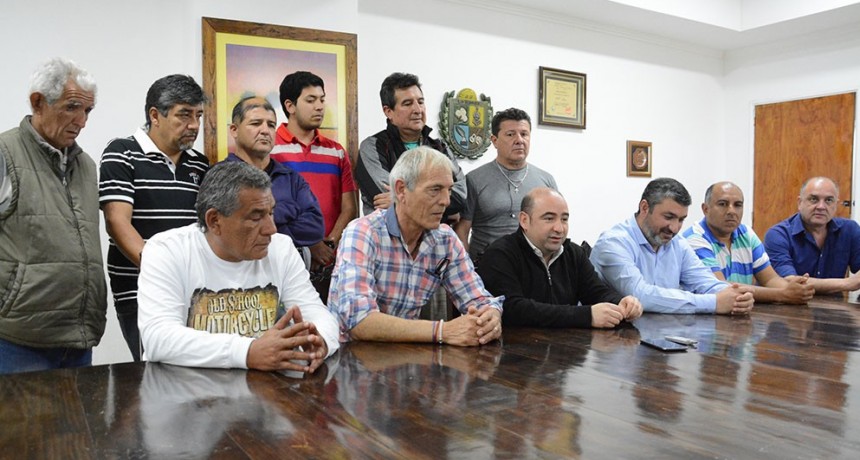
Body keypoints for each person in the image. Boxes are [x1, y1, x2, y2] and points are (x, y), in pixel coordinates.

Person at [138, 161, 338, 371]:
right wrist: (247, 352)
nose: (271, 229)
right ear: (214, 221)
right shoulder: (166, 251)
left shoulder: (281, 248)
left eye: (271, 213)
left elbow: (318, 314)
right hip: (187, 392)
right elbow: (158, 338)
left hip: (265, 393)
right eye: (256, 216)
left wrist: (319, 340)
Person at [328, 147, 503, 346]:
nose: (446, 201)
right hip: (348, 360)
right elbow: (358, 321)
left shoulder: (445, 239)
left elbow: (480, 300)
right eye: (435, 189)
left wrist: (490, 317)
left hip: (405, 357)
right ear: (401, 190)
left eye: (450, 190)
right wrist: (442, 331)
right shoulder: (363, 233)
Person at [0, 58, 106, 373]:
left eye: (87, 111)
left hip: (78, 339)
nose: (82, 120)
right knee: (21, 425)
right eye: (72, 107)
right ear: (38, 102)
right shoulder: (5, 154)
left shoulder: (86, 165)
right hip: (17, 341)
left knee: (78, 424)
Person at [99, 74, 209, 361]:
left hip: (192, 291)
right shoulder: (122, 153)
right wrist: (161, 272)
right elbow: (117, 222)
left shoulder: (200, 163)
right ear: (154, 115)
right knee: (154, 376)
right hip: (139, 290)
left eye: (198, 115)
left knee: (195, 378)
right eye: (184, 115)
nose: (194, 125)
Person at [478, 188, 643, 328]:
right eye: (549, 218)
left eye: (564, 219)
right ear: (524, 220)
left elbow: (595, 291)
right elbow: (512, 309)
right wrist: (586, 316)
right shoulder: (500, 254)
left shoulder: (573, 253)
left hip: (566, 353)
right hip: (514, 354)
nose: (559, 228)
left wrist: (621, 303)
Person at [590, 178, 755, 315]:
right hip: (612, 341)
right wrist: (714, 302)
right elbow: (640, 295)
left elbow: (704, 281)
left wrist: (736, 296)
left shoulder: (678, 244)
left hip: (663, 338)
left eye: (681, 220)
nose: (675, 228)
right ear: (645, 208)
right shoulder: (613, 243)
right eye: (669, 217)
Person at [271, 71, 357, 300]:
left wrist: (328, 244)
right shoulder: (269, 149)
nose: (319, 106)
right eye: (310, 100)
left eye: (322, 99)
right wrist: (310, 246)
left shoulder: (336, 151)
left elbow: (349, 207)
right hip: (286, 262)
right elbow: (270, 210)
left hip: (333, 264)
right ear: (290, 105)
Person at [354, 72, 466, 222]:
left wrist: (402, 200)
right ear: (388, 111)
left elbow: (461, 195)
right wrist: (448, 211)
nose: (418, 110)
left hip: (434, 238)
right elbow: (382, 193)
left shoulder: (440, 148)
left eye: (420, 102)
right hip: (386, 238)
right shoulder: (373, 147)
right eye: (407, 104)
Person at [223, 96, 324, 261]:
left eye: (271, 125)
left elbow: (315, 228)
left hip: (285, 273)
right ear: (234, 130)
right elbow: (231, 229)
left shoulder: (291, 178)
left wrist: (257, 220)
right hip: (236, 274)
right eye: (256, 123)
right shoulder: (219, 176)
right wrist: (289, 209)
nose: (265, 131)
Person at [683, 181, 814, 304]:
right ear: (705, 209)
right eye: (722, 204)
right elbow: (721, 288)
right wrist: (783, 294)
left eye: (738, 205)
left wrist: (794, 289)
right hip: (702, 321)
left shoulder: (745, 233)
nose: (731, 211)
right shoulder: (695, 239)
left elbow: (770, 279)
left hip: (741, 313)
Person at [455, 108, 557, 264]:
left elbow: (555, 226)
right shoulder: (474, 180)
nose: (519, 140)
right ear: (494, 140)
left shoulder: (546, 181)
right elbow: (462, 230)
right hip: (488, 267)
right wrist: (466, 270)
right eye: (510, 134)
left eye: (524, 134)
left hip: (533, 266)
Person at [764, 177, 860, 294]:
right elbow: (790, 282)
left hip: (834, 308)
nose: (821, 206)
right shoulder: (778, 234)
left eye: (829, 200)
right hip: (787, 307)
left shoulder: (849, 230)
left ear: (836, 204)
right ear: (800, 203)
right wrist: (848, 283)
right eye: (813, 199)